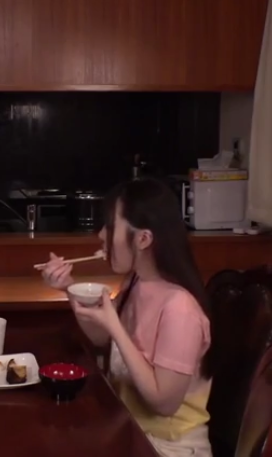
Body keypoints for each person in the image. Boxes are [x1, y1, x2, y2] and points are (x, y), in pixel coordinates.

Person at [41, 177, 219, 457]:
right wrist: (69, 288)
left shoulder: (180, 308)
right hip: (128, 431)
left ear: (143, 239)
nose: (101, 235)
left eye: (110, 226)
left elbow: (164, 403)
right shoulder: (136, 282)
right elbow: (101, 336)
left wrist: (115, 327)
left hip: (168, 447)